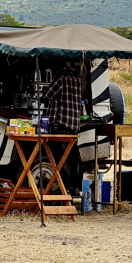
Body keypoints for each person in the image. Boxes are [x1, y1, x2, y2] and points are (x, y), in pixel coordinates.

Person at [43, 65, 84, 195]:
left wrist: (44, 90)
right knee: (73, 157)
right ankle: (75, 187)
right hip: (73, 125)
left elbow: (48, 95)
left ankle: (63, 187)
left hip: (60, 124)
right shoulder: (77, 79)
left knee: (60, 158)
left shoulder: (60, 77)